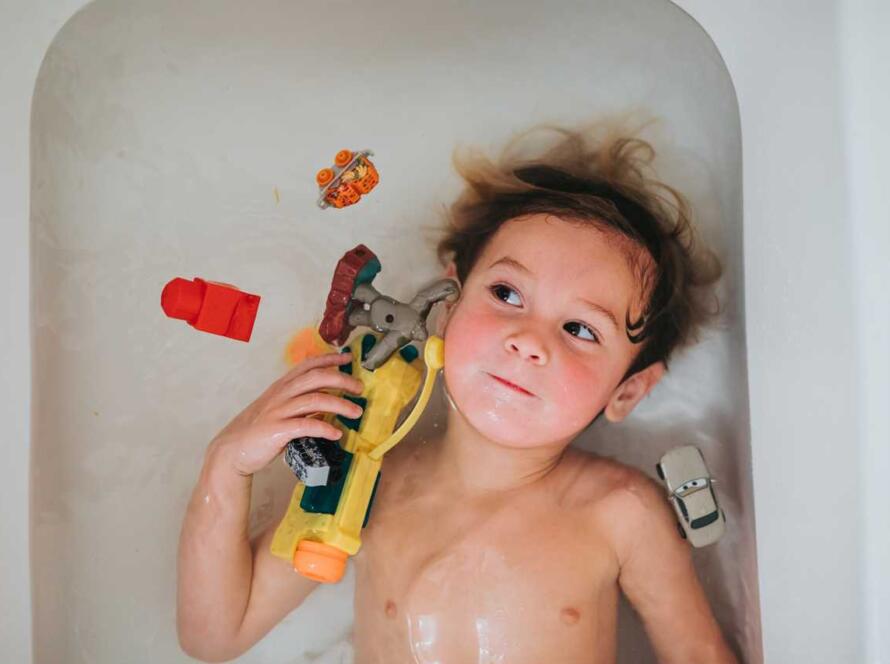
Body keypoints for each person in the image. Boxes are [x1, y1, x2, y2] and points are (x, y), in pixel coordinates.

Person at [176, 119, 738, 663]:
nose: (527, 340)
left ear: (628, 390)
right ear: (445, 308)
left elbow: (698, 654)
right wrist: (227, 465)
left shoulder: (623, 512)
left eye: (580, 329)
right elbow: (216, 634)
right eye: (506, 293)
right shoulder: (369, 482)